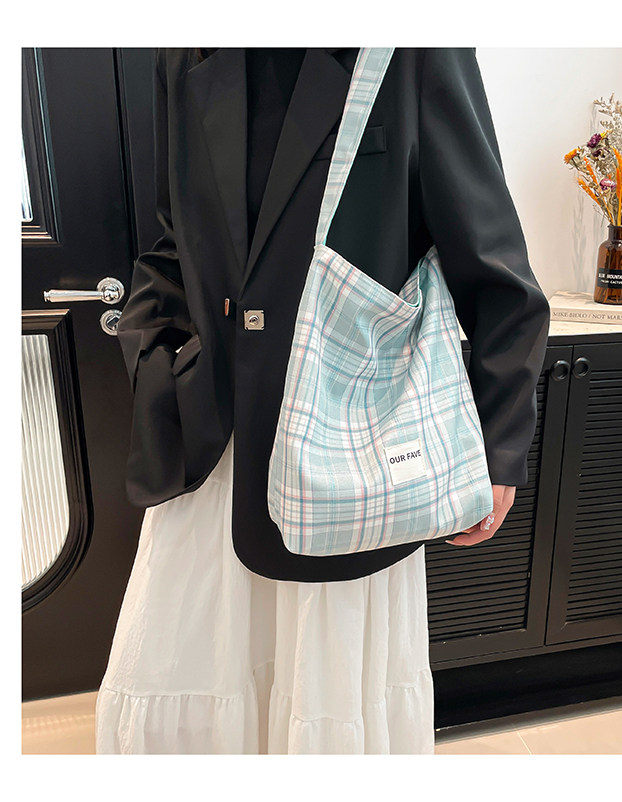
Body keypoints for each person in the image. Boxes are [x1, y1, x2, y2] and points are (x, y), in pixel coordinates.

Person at [95, 47, 550, 754]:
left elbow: (495, 267)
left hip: (349, 458)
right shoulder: (186, 49)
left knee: (324, 703)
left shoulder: (413, 47)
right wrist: (153, 356)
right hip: (210, 452)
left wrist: (499, 446)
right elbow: (172, 240)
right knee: (190, 679)